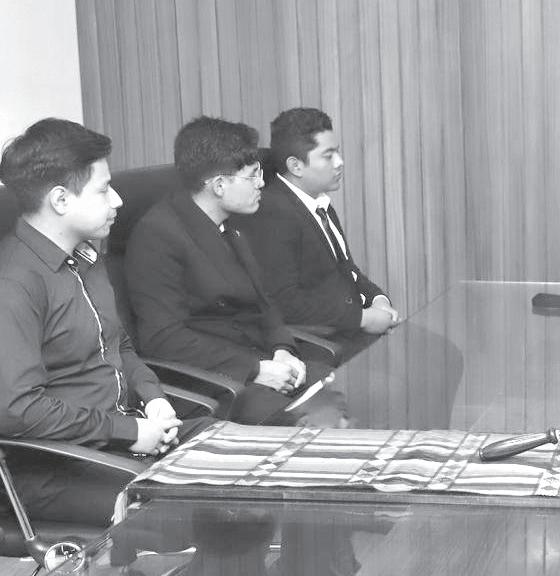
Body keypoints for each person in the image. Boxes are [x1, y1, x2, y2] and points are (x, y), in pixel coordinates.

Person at [0, 118, 215, 527]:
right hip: (56, 467)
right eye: (103, 189)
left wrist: (153, 398)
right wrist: (129, 432)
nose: (117, 200)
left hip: (116, 440)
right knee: (199, 512)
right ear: (60, 200)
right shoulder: (14, 282)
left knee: (227, 447)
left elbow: (119, 345)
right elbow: (18, 410)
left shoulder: (86, 257)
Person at [125, 116, 340, 426]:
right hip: (213, 379)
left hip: (259, 360)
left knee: (337, 391)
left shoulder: (232, 224)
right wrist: (255, 368)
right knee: (304, 423)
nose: (261, 184)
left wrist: (282, 349)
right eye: (252, 176)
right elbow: (164, 339)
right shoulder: (157, 235)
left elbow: (264, 302)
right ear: (219, 185)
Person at [236, 107, 399, 355]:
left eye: (337, 152)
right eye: (328, 156)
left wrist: (378, 300)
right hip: (318, 345)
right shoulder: (272, 213)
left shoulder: (319, 202)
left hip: (348, 332)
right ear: (296, 166)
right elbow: (285, 302)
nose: (340, 162)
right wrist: (362, 318)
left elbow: (347, 270)